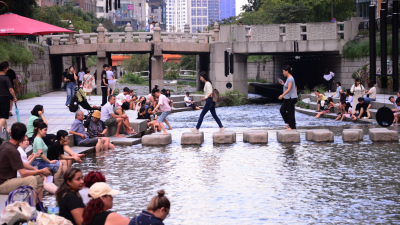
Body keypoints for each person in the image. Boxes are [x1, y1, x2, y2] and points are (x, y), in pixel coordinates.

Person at [0, 123, 51, 211]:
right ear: (23, 137)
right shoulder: (12, 150)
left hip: (6, 181)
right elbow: (23, 173)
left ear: (10, 133)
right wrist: (41, 171)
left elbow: (20, 163)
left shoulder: (6, 144)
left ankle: (39, 206)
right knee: (31, 179)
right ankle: (31, 210)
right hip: (3, 184)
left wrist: (35, 169)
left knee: (38, 177)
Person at [278, 65, 297, 130]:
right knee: (282, 110)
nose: (283, 73)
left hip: (291, 98)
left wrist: (282, 95)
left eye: (283, 71)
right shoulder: (288, 79)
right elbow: (287, 86)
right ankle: (289, 122)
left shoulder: (290, 79)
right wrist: (283, 84)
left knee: (290, 112)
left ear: (287, 71)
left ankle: (292, 127)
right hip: (288, 98)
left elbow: (289, 89)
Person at [0, 62, 17, 131]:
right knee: (4, 116)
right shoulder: (6, 78)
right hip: (4, 98)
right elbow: (11, 89)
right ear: (4, 69)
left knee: (1, 116)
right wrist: (14, 97)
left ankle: (5, 131)